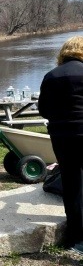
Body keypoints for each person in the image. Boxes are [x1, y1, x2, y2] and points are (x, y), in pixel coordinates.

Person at [38, 36, 83, 254]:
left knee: (72, 185)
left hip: (62, 137)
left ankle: (76, 239)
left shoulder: (50, 76)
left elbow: (44, 110)